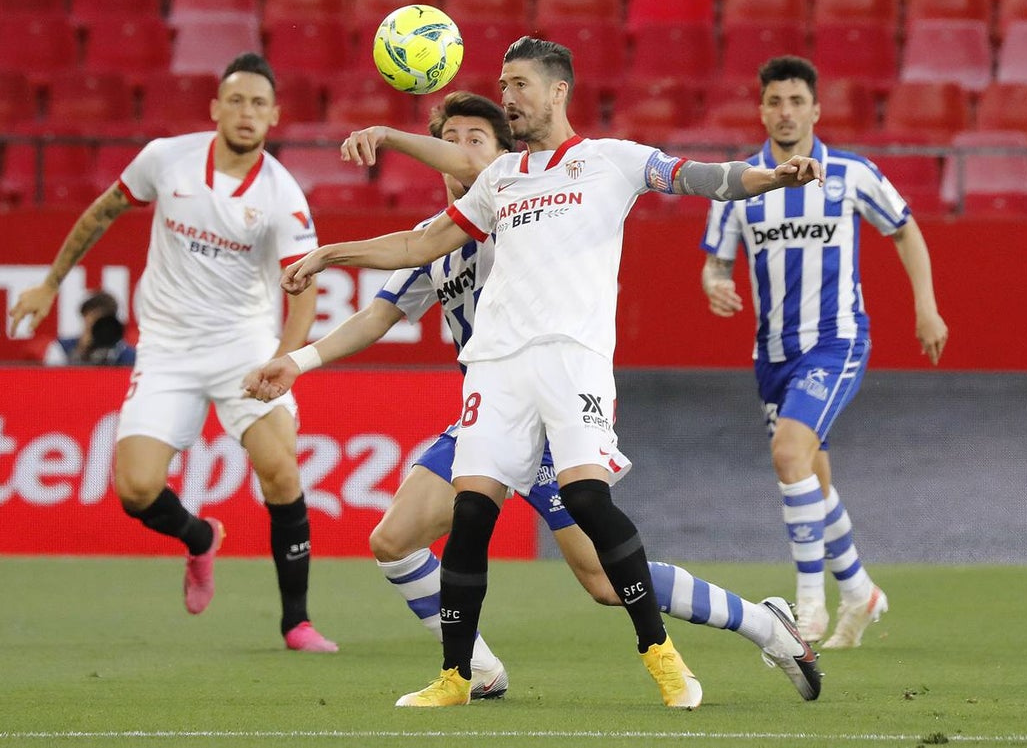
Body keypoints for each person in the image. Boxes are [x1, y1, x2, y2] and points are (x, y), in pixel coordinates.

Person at [277, 37, 825, 709]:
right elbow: (418, 245)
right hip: (498, 374)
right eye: (502, 86)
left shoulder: (608, 160)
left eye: (519, 85)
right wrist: (328, 254)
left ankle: (744, 631)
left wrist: (769, 177)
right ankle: (463, 673)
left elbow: (700, 177)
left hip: (569, 365)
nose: (508, 97)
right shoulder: (501, 181)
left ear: (558, 90)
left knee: (598, 556)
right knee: (448, 521)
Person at [7, 52, 337, 653]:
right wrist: (51, 284)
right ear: (215, 108)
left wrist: (286, 361)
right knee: (135, 489)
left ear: (274, 116)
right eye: (235, 100)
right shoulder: (166, 158)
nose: (246, 112)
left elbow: (305, 292)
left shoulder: (282, 197)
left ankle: (297, 621)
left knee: (281, 470)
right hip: (166, 346)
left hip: (243, 345)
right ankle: (199, 539)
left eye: (258, 103)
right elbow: (103, 211)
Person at [699, 55, 949, 649]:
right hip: (772, 355)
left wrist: (927, 306)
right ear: (762, 111)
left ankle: (808, 608)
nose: (786, 112)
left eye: (796, 101)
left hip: (837, 342)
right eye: (775, 102)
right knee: (813, 477)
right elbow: (715, 263)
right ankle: (860, 591)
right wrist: (714, 284)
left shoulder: (851, 174)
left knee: (789, 455)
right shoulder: (738, 185)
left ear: (815, 110)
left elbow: (904, 228)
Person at [43, 290, 136, 366]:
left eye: (102, 318)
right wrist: (81, 349)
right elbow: (53, 378)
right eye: (93, 316)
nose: (96, 323)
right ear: (84, 316)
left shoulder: (126, 353)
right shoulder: (61, 348)